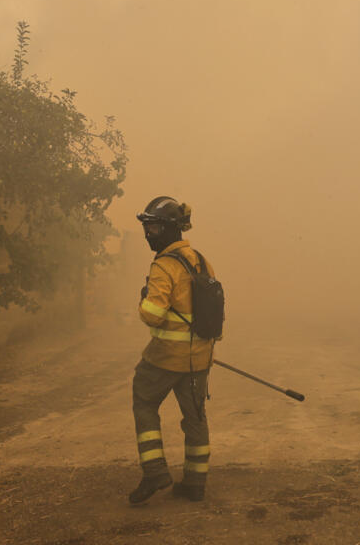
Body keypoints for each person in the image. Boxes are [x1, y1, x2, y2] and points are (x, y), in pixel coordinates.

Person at [128, 196, 216, 504]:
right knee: (195, 418)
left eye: (152, 228)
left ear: (168, 230)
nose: (147, 234)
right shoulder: (201, 260)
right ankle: (195, 482)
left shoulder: (164, 265)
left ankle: (154, 472)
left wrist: (143, 300)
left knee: (143, 400)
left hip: (165, 358)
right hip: (200, 357)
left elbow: (152, 314)